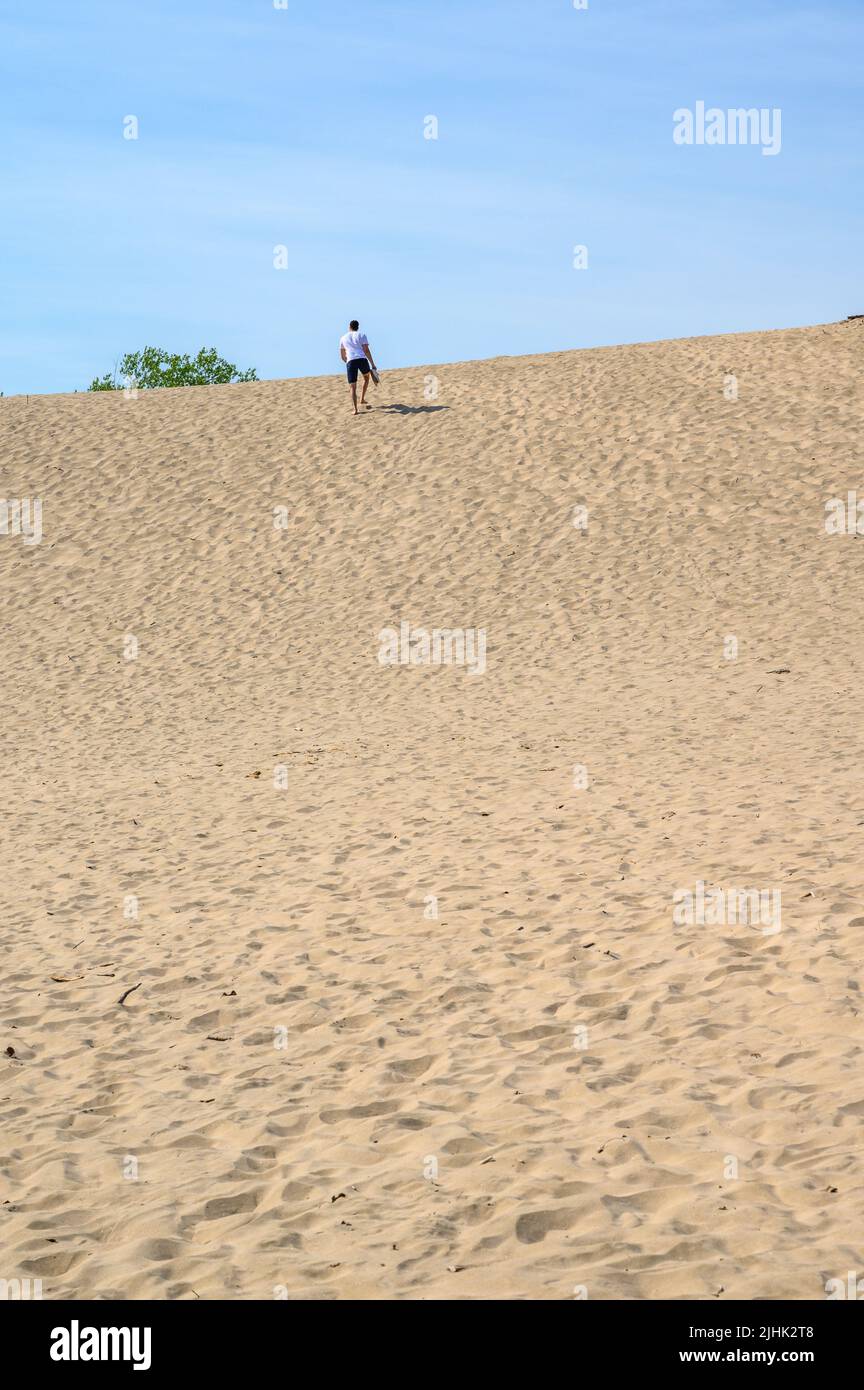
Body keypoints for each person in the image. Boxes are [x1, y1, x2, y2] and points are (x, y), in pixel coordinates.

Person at [339, 320, 377, 415]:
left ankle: (355, 409)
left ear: (349, 327)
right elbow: (366, 350)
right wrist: (372, 364)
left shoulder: (343, 338)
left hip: (351, 361)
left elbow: (342, 355)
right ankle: (362, 398)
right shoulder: (362, 335)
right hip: (361, 359)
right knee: (366, 378)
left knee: (352, 386)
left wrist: (347, 362)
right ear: (358, 327)